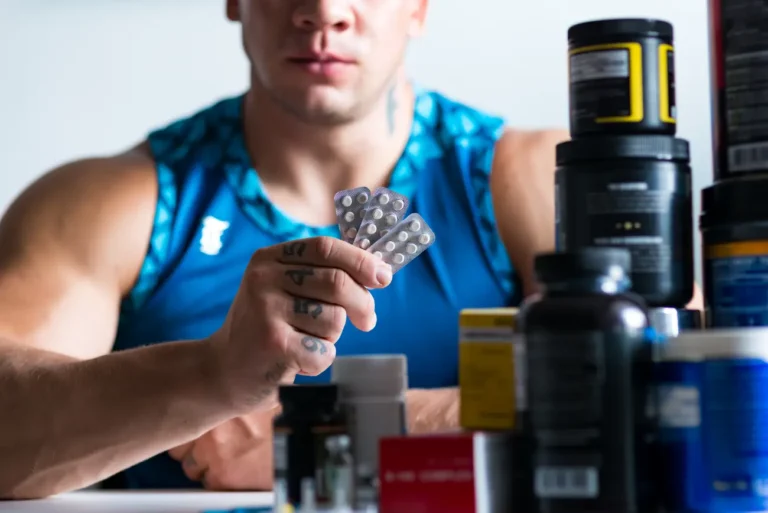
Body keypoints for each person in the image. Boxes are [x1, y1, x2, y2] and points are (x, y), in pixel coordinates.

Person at [0, 0, 702, 500]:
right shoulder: (118, 203)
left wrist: (326, 434)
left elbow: (684, 396)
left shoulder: (531, 179)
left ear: (420, 7)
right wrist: (209, 377)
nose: (325, 10)